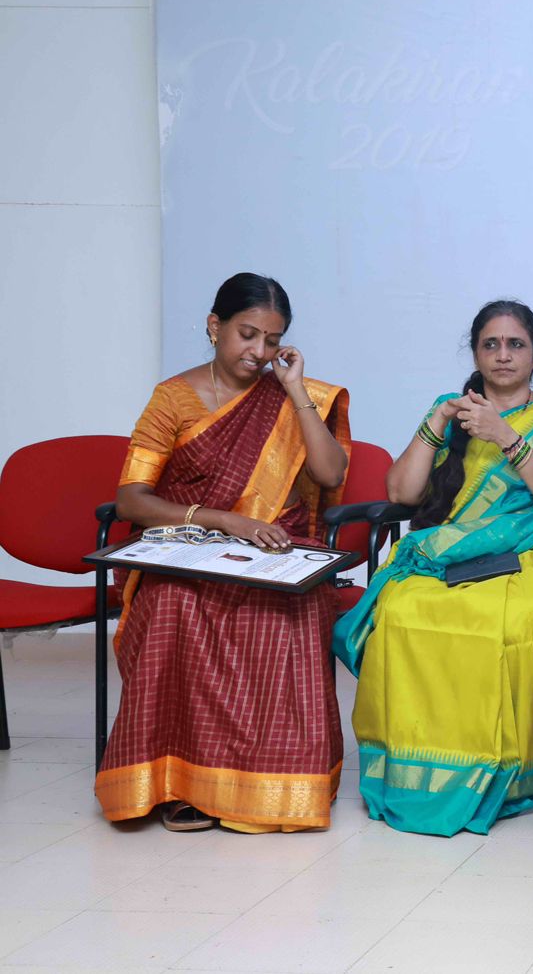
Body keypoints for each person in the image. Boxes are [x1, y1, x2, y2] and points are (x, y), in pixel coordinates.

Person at [332, 301, 533, 836]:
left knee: (508, 622)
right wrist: (437, 422)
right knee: (400, 611)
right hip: (450, 553)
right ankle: (412, 772)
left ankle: (501, 774)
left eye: (516, 345)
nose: (504, 355)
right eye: (491, 344)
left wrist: (506, 437)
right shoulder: (455, 414)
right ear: (475, 354)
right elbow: (401, 493)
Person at [96, 273, 350, 833]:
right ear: (215, 327)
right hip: (192, 546)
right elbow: (131, 500)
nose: (258, 353)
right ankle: (180, 782)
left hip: (275, 547)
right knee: (173, 606)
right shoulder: (173, 398)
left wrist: (295, 391)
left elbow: (331, 473)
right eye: (246, 334)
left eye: (272, 339)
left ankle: (273, 784)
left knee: (295, 607)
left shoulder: (289, 395)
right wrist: (223, 521)